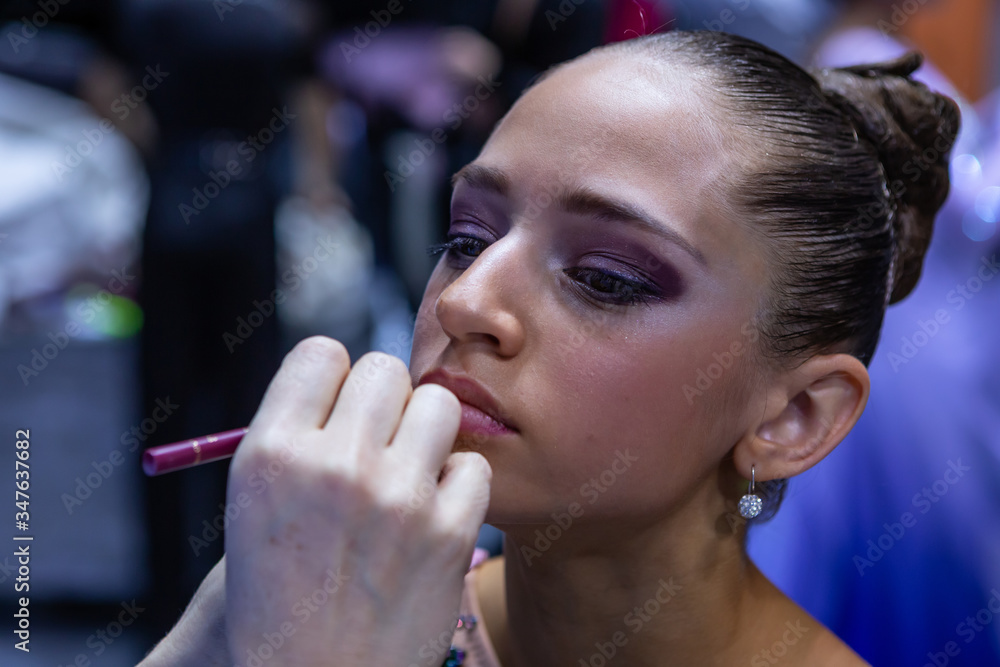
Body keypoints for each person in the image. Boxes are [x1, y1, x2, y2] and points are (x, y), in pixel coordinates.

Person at [138, 30, 959, 666]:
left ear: (793, 415)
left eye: (605, 278)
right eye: (464, 237)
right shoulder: (320, 609)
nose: (465, 303)